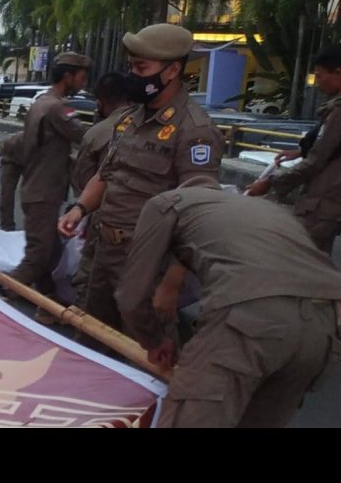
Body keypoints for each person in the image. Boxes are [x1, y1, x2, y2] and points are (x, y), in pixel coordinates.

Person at [117, 178, 341, 428]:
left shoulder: (168, 203)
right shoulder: (266, 209)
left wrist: (154, 340)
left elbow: (130, 295)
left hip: (252, 321)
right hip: (323, 326)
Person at [58, 23, 225, 331]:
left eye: (141, 67)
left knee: (145, 350)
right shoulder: (129, 121)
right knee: (93, 337)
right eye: (131, 66)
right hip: (104, 253)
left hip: (147, 263)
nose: (133, 75)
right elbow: (105, 175)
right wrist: (79, 208)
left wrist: (173, 282)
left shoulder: (194, 131)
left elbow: (198, 216)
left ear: (172, 70)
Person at [8, 52, 90, 302]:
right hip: (43, 191)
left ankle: (49, 302)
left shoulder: (40, 103)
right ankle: (2, 297)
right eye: (82, 78)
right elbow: (86, 139)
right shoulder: (57, 108)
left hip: (37, 188)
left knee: (51, 251)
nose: (83, 84)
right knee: (38, 256)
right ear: (68, 76)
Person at [248, 46, 341, 253]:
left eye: (320, 76)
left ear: (337, 73)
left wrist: (271, 184)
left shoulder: (338, 111)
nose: (317, 82)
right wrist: (301, 151)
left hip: (325, 200)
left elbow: (318, 159)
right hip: (329, 198)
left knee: (302, 257)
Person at [68, 72, 131, 304]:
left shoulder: (97, 133)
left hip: (103, 221)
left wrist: (79, 209)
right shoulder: (147, 129)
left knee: (90, 280)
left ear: (100, 102)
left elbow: (83, 178)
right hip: (145, 227)